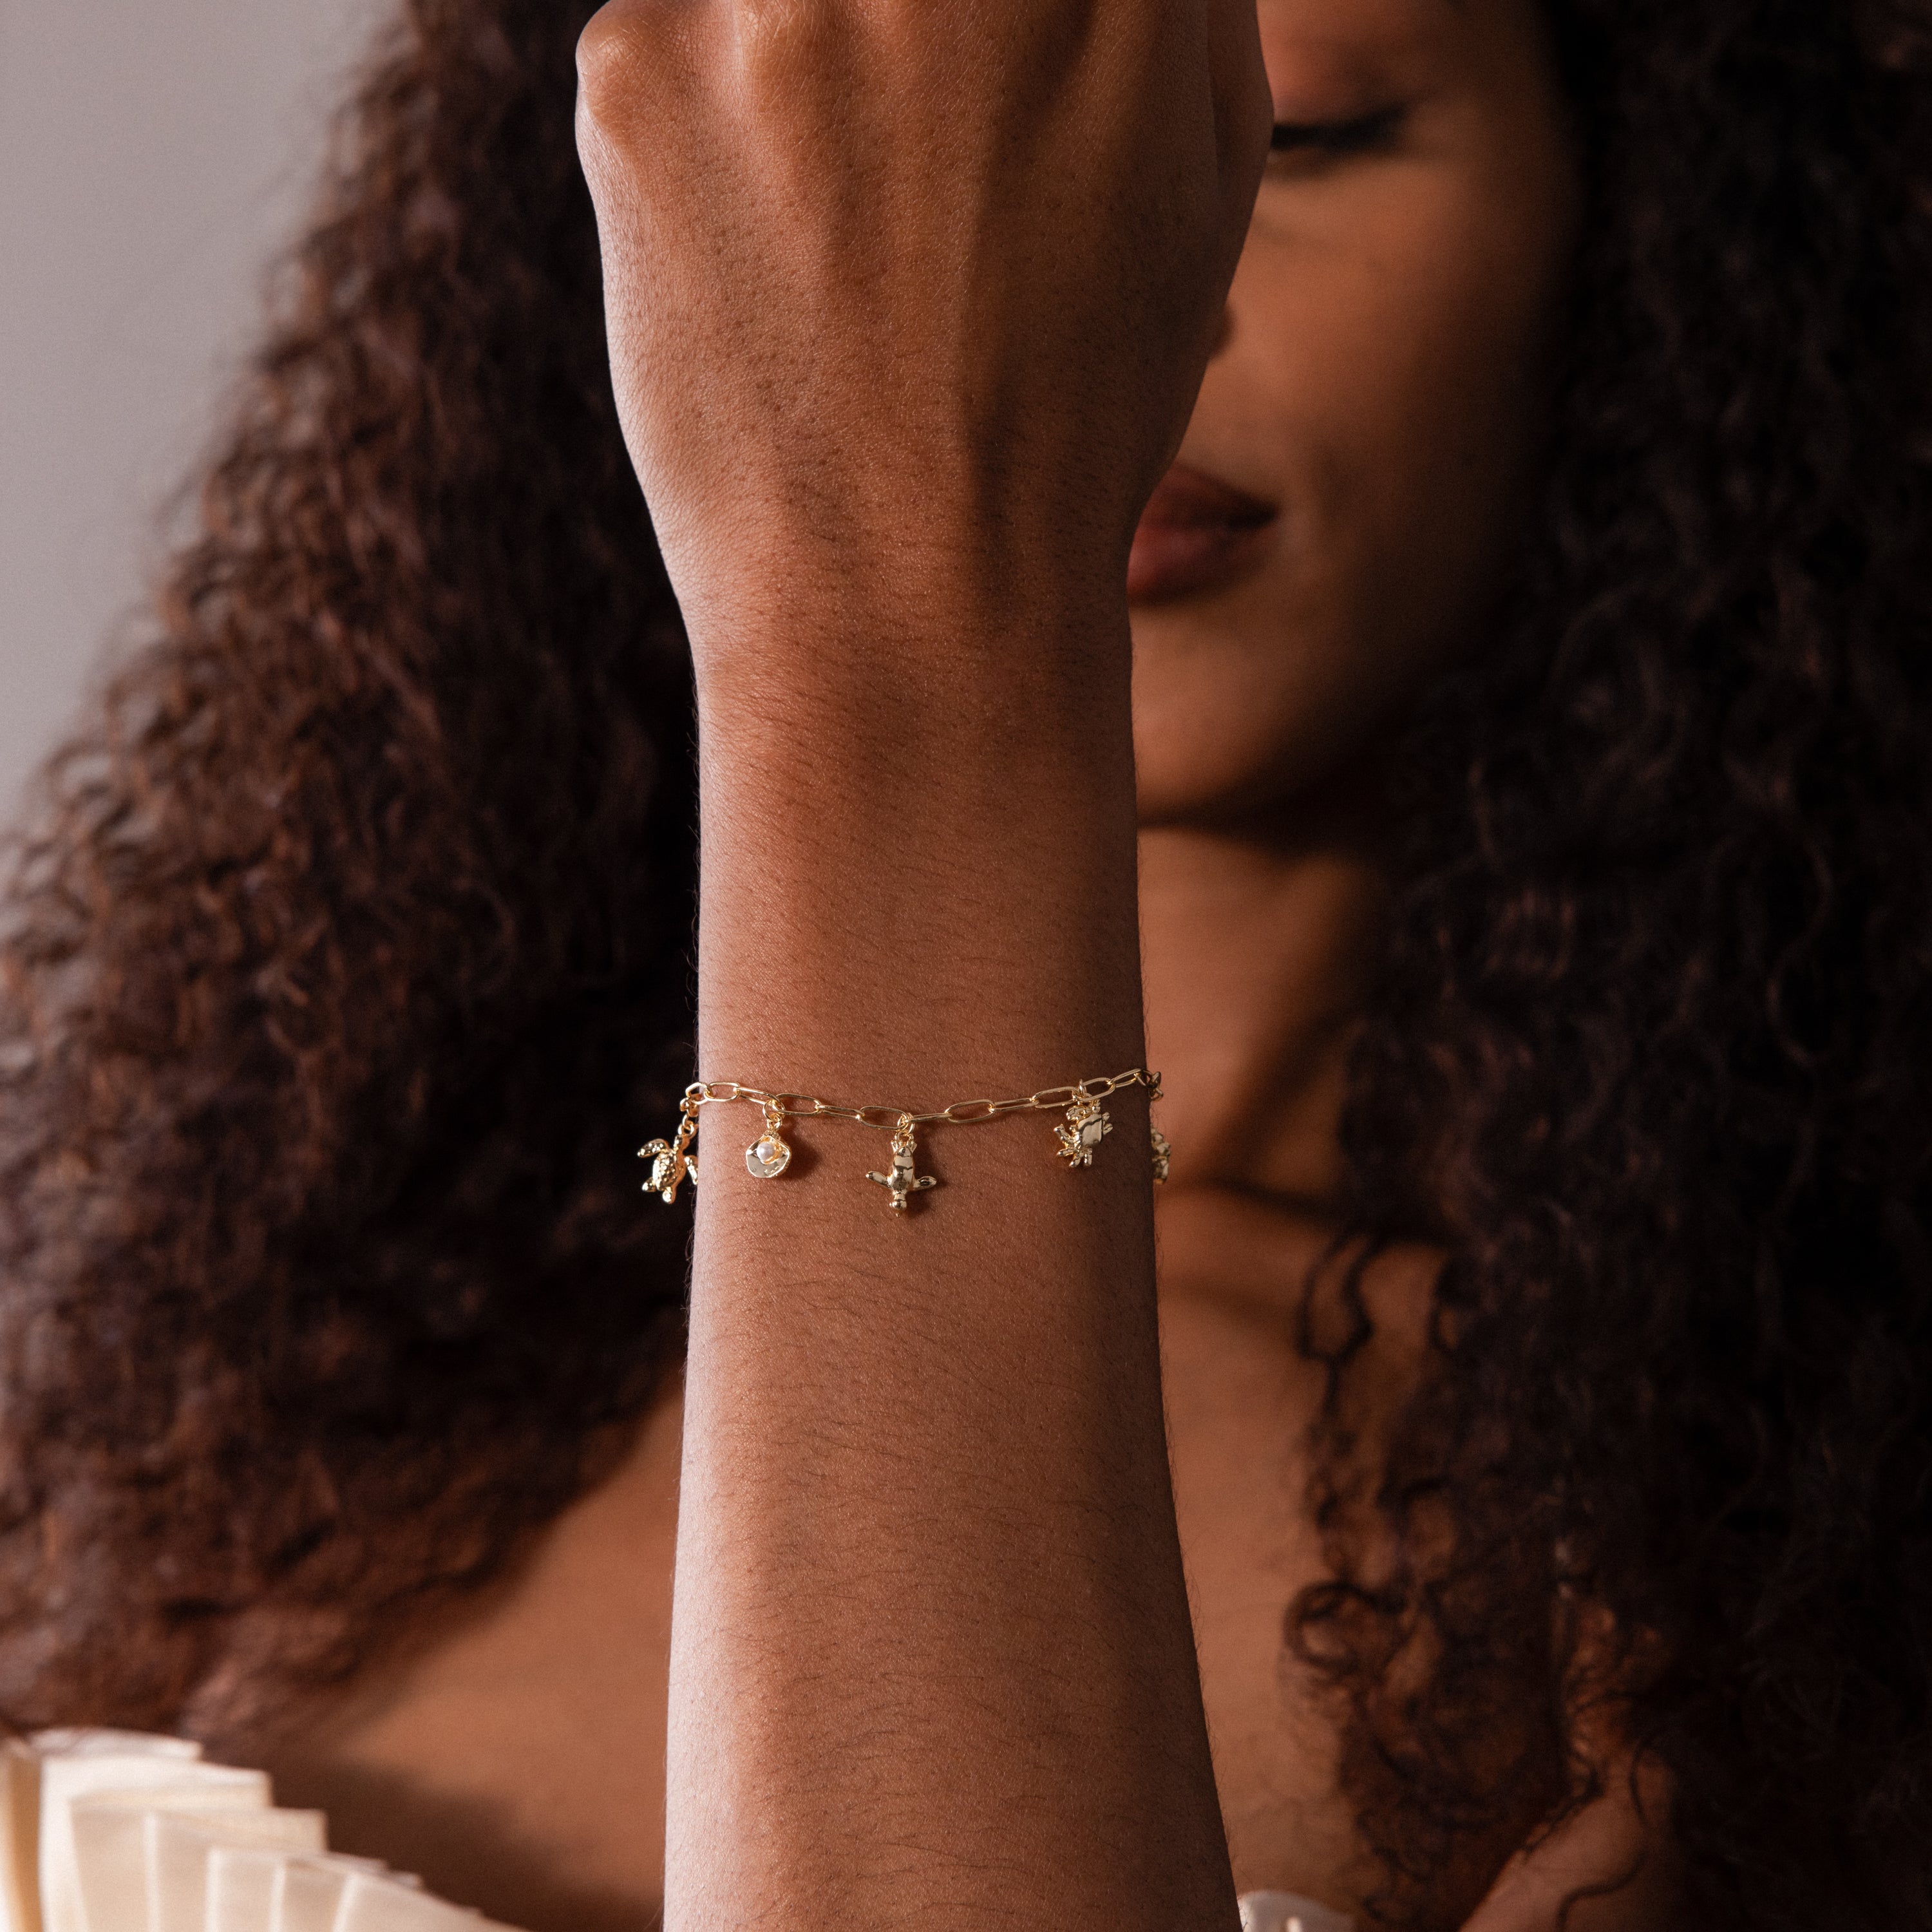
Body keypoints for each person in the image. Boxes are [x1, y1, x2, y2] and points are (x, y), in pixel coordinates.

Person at [1, 0, 1928, 1925]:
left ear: (1656, 231)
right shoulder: (244, 1359)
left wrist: (897, 646)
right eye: (890, 175)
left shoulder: (1722, 1597)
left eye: (1296, 135)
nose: (1085, 286)